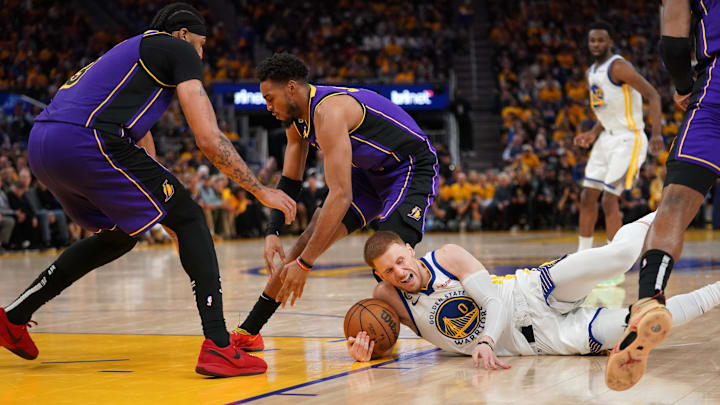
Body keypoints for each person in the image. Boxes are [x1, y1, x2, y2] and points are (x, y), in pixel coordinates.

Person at [0, 2, 295, 378]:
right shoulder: (176, 49)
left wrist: (165, 207)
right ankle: (219, 346)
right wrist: (259, 190)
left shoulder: (130, 57)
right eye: (201, 44)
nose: (201, 54)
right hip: (86, 140)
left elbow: (142, 142)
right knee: (190, 216)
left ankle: (13, 318)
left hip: (43, 144)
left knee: (119, 235)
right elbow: (207, 137)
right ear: (184, 35)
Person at [230, 53, 438, 351]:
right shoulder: (296, 123)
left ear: (291, 88)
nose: (268, 106)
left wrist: (306, 264)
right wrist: (273, 231)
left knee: (388, 256)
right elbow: (290, 182)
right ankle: (249, 331)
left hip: (408, 167)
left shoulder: (329, 113)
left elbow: (341, 195)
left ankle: (442, 318)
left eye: (269, 97)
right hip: (366, 174)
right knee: (306, 238)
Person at [349, 213, 720, 372]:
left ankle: (672, 204)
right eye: (389, 270)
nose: (400, 272)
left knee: (618, 256)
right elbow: (384, 336)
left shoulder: (447, 257)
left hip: (533, 292)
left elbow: (492, 301)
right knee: (648, 323)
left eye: (400, 260)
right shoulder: (387, 296)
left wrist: (487, 341)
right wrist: (364, 350)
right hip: (547, 340)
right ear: (380, 275)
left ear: (410, 251)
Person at [605, 0, 720, 391]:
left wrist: (685, 88)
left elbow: (672, 45)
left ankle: (648, 301)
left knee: (675, 204)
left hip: (716, 87)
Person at [574, 21, 664, 287]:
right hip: (606, 138)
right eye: (592, 41)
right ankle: (582, 257)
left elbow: (653, 94)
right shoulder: (592, 71)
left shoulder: (618, 66)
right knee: (587, 196)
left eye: (601, 40)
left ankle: (615, 265)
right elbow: (609, 111)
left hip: (629, 138)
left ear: (609, 42)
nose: (596, 45)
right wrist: (592, 133)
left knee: (608, 200)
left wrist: (657, 132)